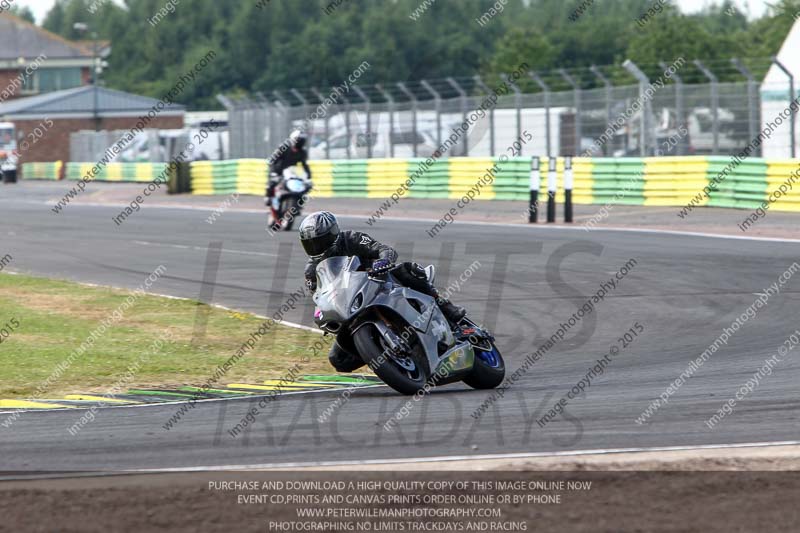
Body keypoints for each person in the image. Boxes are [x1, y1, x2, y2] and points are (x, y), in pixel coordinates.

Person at [299, 211, 466, 373]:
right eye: (311, 244)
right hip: (351, 305)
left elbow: (384, 249)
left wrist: (383, 261)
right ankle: (382, 355)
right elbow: (320, 297)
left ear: (333, 233)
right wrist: (327, 313)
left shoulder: (351, 238)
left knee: (406, 270)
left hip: (379, 283)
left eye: (320, 241)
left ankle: (447, 308)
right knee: (338, 359)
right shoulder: (311, 271)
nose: (316, 247)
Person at [265, 130, 312, 202]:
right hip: (278, 171)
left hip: (291, 172)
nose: (300, 142)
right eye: (299, 140)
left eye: (302, 140)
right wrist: (273, 171)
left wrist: (309, 176)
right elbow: (273, 160)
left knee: (306, 186)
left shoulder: (302, 152)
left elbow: (304, 164)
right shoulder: (284, 148)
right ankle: (268, 197)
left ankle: (299, 202)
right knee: (272, 183)